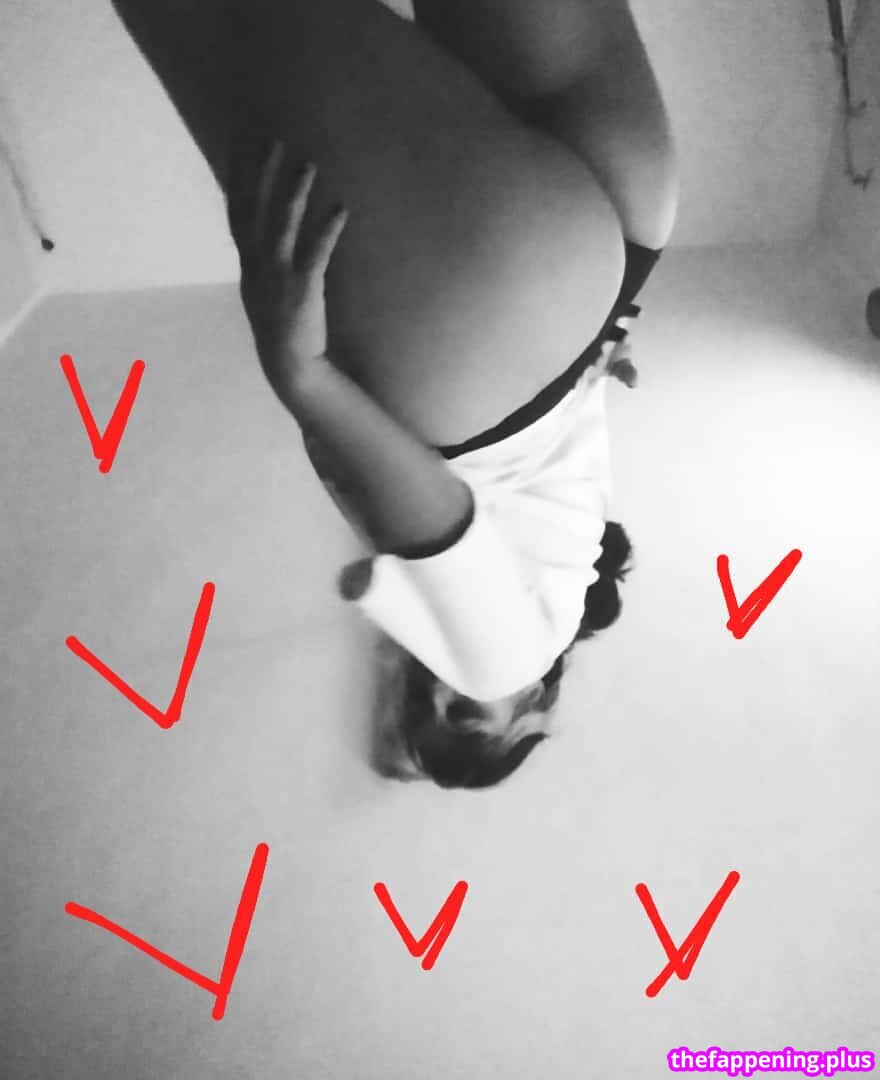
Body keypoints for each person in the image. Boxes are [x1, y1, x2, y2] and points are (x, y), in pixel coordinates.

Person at [112, 0, 679, 787]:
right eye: (468, 719)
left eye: (425, 707)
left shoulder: (565, 571)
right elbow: (445, 524)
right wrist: (302, 379)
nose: (445, 694)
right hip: (489, 311)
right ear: (536, 711)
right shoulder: (502, 660)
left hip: (619, 240)